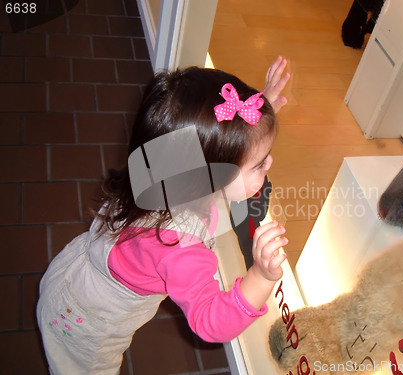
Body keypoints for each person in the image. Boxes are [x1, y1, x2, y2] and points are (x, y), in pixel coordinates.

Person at [36, 56, 290, 374]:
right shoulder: (178, 248)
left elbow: (217, 144)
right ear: (210, 173)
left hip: (72, 272)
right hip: (86, 324)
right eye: (259, 163)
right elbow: (211, 321)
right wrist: (260, 278)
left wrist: (249, 126)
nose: (269, 165)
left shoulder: (166, 170)